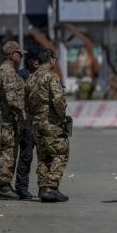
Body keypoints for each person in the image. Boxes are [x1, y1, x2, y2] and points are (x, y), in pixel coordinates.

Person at [25, 49, 70, 203]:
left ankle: (44, 188)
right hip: (51, 123)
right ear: (50, 59)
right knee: (61, 152)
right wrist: (62, 117)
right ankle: (51, 186)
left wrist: (32, 120)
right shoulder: (51, 77)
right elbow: (58, 100)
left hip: (36, 124)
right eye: (55, 59)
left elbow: (27, 103)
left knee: (43, 156)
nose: (55, 62)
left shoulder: (31, 78)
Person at [0, 41, 27, 200]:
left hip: (9, 118)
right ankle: (4, 186)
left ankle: (6, 185)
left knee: (11, 150)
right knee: (8, 151)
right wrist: (22, 114)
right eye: (19, 53)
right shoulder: (7, 72)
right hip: (8, 119)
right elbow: (12, 99)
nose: (21, 56)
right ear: (12, 54)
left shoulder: (9, 71)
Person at [15, 48, 41, 200]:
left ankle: (44, 188)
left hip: (39, 122)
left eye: (38, 59)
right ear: (28, 60)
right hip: (27, 122)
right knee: (26, 156)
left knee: (44, 157)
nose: (36, 61)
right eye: (33, 58)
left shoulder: (40, 74)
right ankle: (22, 188)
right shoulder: (23, 75)